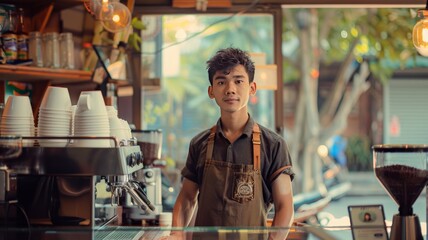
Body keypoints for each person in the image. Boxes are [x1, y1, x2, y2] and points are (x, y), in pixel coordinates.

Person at [162, 47, 295, 240]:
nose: (230, 89)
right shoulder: (199, 144)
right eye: (221, 82)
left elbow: (285, 206)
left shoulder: (273, 145)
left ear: (252, 88)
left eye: (238, 81)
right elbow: (187, 198)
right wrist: (176, 235)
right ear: (211, 91)